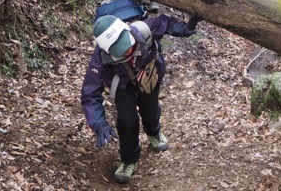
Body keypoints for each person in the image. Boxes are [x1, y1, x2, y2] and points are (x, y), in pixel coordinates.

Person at [81, 11, 202, 184]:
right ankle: (129, 159)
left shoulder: (143, 28)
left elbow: (165, 24)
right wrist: (99, 125)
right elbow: (90, 93)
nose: (129, 50)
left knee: (150, 108)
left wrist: (185, 28)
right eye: (122, 52)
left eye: (129, 46)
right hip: (122, 84)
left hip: (148, 73)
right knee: (126, 121)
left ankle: (154, 132)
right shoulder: (100, 57)